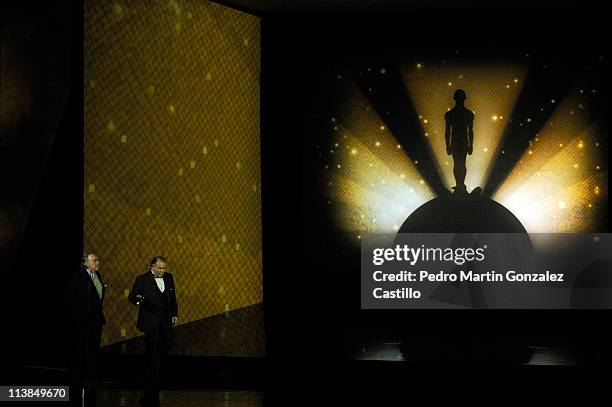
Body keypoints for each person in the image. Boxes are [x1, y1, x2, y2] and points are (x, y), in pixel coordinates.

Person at [128, 256, 178, 406]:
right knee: (153, 348)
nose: (163, 271)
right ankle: (153, 379)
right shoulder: (142, 279)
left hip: (165, 320)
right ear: (152, 267)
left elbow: (173, 297)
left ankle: (152, 372)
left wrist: (175, 313)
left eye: (164, 268)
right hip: (150, 321)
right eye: (160, 268)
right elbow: (132, 296)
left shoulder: (169, 278)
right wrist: (140, 300)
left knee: (167, 343)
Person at [65, 253, 106, 382]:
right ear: (86, 263)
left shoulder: (98, 275)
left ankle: (90, 372)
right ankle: (76, 373)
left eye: (97, 260)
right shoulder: (79, 276)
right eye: (94, 260)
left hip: (96, 319)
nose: (97, 262)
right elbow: (70, 296)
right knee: (79, 346)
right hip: (82, 319)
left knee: (93, 346)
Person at [445, 89, 475, 194]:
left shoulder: (450, 114)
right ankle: (460, 185)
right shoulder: (468, 114)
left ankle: (460, 185)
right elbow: (470, 131)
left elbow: (448, 131)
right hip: (461, 142)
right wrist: (471, 145)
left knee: (458, 164)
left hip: (457, 142)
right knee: (461, 164)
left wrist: (447, 145)